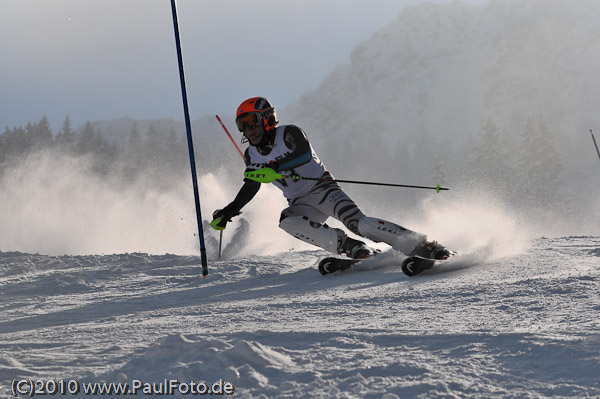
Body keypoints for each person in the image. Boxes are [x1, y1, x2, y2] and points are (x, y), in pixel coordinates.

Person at [211, 96, 449, 261]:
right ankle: (351, 247)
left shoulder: (290, 133)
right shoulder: (251, 154)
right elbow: (251, 185)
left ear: (266, 118)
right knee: (287, 221)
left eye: (251, 121)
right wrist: (229, 210)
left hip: (324, 190)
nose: (247, 130)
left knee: (361, 224)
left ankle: (420, 244)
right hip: (300, 203)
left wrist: (273, 168)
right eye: (241, 125)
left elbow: (301, 154)